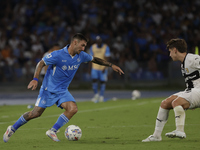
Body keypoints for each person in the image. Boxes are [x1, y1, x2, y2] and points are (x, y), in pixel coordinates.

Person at [3, 33, 124, 143]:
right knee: (35, 113)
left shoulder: (81, 55)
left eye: (85, 46)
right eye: (82, 45)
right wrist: (35, 79)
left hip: (62, 91)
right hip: (48, 90)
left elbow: (94, 59)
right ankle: (12, 129)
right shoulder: (58, 54)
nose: (83, 48)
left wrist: (111, 65)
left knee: (73, 109)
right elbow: (40, 63)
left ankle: (52, 131)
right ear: (75, 43)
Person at [142, 38, 200, 142]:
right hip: (192, 91)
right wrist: (191, 98)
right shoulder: (184, 62)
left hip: (198, 91)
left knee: (176, 102)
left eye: (170, 51)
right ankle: (156, 136)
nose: (169, 55)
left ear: (175, 50)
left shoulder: (193, 59)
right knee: (165, 103)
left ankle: (180, 130)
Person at [90, 36, 111, 102]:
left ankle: (101, 96)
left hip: (102, 68)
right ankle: (96, 95)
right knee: (94, 80)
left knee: (103, 81)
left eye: (99, 41)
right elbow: (91, 58)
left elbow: (107, 57)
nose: (98, 42)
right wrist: (89, 67)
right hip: (94, 67)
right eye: (97, 41)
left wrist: (105, 66)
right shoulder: (93, 47)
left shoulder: (105, 47)